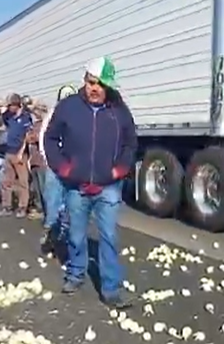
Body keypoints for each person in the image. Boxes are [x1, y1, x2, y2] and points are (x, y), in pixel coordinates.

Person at [43, 56, 137, 308]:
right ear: (84, 81)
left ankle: (111, 289)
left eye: (100, 84)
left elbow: (130, 143)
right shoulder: (68, 107)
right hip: (77, 186)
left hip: (108, 187)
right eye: (91, 82)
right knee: (76, 235)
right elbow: (50, 139)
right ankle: (75, 274)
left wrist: (119, 170)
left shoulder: (119, 110)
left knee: (109, 237)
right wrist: (64, 168)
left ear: (109, 86)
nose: (95, 88)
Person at [39, 85, 78, 253]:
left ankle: (66, 235)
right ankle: (50, 234)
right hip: (55, 166)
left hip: (74, 167)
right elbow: (44, 138)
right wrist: (49, 160)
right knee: (53, 200)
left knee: (72, 202)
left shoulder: (80, 116)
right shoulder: (53, 115)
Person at [0, 93, 33, 217]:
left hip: (20, 153)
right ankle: (6, 206)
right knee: (7, 181)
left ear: (17, 105)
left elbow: (27, 136)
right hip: (8, 151)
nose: (9, 108)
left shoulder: (26, 117)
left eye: (11, 106)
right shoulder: (8, 116)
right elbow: (0, 115)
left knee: (23, 182)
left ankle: (22, 207)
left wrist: (21, 152)